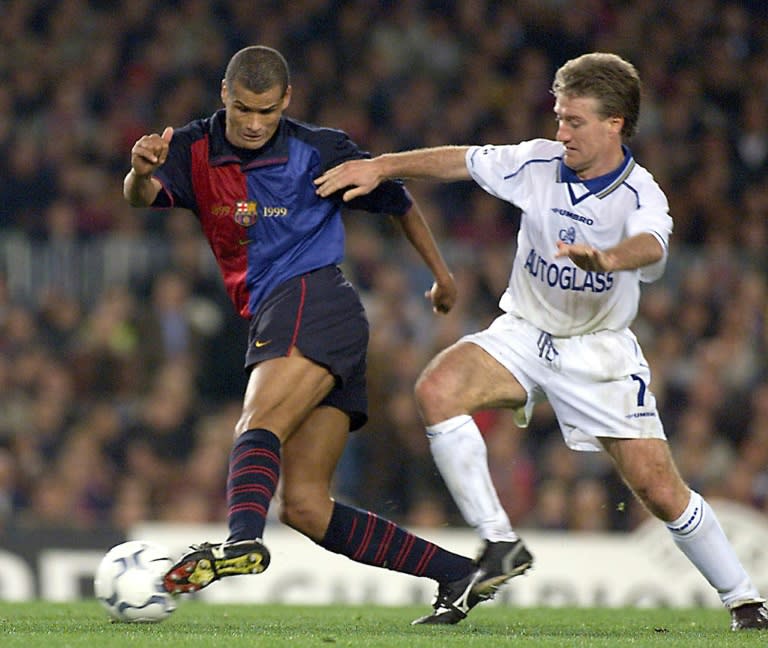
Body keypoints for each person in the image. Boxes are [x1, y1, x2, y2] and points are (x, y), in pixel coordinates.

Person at [315, 52, 768, 631]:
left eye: (574, 121)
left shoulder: (640, 195)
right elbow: (461, 161)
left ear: (615, 124)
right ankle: (499, 544)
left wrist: (608, 256)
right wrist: (381, 167)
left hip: (597, 350)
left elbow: (652, 247)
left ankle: (746, 601)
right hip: (525, 331)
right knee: (436, 389)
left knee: (657, 489)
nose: (561, 132)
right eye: (559, 117)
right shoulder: (539, 161)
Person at [123, 45, 522, 626]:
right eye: (242, 111)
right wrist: (139, 171)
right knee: (307, 507)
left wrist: (442, 276)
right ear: (224, 97)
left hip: (313, 300)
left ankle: (239, 540)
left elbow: (397, 202)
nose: (255, 123)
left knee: (257, 422)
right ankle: (459, 573)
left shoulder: (320, 149)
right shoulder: (190, 148)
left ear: (285, 100)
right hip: (290, 318)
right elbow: (144, 198)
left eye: (265, 110)